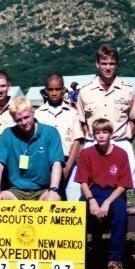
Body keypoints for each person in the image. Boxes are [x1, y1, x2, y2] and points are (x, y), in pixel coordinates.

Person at [75, 118, 133, 269]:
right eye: (97, 133)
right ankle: (81, 256)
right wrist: (91, 200)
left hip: (114, 193)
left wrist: (107, 202)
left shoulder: (121, 154)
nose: (101, 136)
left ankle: (114, 260)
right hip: (92, 192)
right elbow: (83, 182)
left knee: (120, 213)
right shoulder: (86, 153)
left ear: (111, 134)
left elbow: (123, 184)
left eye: (105, 132)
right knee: (79, 213)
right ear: (93, 135)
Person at [76, 45, 135, 187]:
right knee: (90, 185)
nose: (108, 68)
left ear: (117, 64)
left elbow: (134, 120)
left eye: (112, 63)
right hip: (94, 144)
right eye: (104, 63)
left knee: (122, 187)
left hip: (120, 142)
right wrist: (91, 139)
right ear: (97, 64)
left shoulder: (127, 90)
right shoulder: (85, 91)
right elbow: (82, 121)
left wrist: (126, 139)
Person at [0, 98, 64, 201]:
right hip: (15, 191)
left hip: (42, 190)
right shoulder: (8, 134)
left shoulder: (50, 132)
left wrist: (53, 190)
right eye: (19, 120)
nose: (24, 122)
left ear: (33, 112)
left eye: (26, 117)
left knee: (53, 200)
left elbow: (56, 163)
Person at [35, 72, 83, 200]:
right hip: (45, 163)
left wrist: (68, 166)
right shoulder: (38, 114)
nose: (54, 93)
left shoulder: (72, 114)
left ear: (63, 90)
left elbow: (77, 141)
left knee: (73, 198)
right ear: (46, 90)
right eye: (50, 89)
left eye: (57, 89)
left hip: (68, 161)